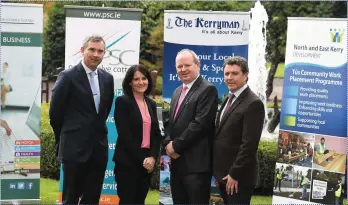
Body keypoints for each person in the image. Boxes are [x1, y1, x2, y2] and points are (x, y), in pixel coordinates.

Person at [49, 35, 114, 204]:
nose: (95, 54)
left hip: (98, 150)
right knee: (70, 199)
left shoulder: (108, 79)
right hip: (73, 149)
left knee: (92, 199)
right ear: (82, 50)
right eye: (91, 49)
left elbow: (103, 112)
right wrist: (65, 138)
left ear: (104, 54)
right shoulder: (67, 77)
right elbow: (55, 113)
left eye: (100, 51)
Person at [162, 49, 218, 204]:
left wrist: (175, 146)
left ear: (198, 65)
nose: (183, 69)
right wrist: (167, 143)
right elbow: (169, 123)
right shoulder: (177, 91)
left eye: (187, 65)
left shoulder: (207, 89)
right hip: (177, 165)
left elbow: (200, 125)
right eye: (179, 66)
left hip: (196, 167)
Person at [213, 56, 265, 205]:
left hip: (238, 178)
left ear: (245, 75)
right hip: (224, 175)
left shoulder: (253, 103)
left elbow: (249, 145)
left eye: (234, 73)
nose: (229, 77)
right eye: (226, 74)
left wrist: (234, 174)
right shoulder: (228, 98)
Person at [112, 64, 161, 204]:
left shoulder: (152, 104)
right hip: (127, 162)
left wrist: (152, 157)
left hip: (147, 163)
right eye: (136, 79)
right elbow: (125, 135)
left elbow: (157, 133)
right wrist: (143, 159)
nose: (141, 82)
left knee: (140, 201)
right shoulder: (122, 101)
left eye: (144, 78)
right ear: (130, 82)